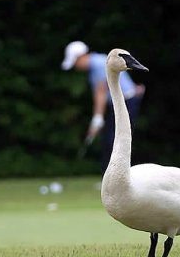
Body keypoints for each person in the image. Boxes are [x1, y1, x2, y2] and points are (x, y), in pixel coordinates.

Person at [62, 41, 145, 173]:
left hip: (127, 102)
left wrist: (97, 119)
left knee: (114, 140)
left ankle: (116, 175)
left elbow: (101, 91)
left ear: (80, 57)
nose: (75, 67)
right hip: (123, 102)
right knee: (110, 139)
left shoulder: (99, 64)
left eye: (74, 63)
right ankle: (110, 175)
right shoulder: (97, 63)